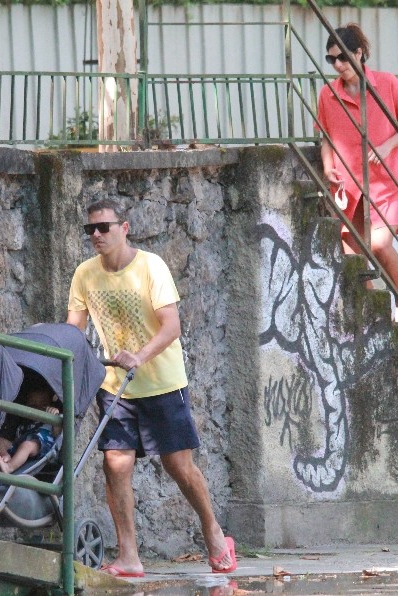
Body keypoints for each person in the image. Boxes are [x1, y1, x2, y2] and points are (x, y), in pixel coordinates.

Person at [66, 198, 237, 578]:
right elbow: (73, 330)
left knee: (178, 465)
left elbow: (171, 326)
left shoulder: (151, 266)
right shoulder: (85, 274)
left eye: (103, 227)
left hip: (161, 381)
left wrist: (141, 356)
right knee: (115, 463)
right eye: (89, 229)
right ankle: (129, 555)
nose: (96, 235)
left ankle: (213, 532)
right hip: (116, 384)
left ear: (124, 228)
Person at [316, 23, 398, 323]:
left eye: (343, 57)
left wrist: (388, 145)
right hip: (350, 186)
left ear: (360, 53)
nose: (337, 65)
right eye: (331, 59)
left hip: (389, 182)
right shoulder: (327, 95)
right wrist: (327, 166)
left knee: (378, 243)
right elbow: (325, 136)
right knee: (351, 250)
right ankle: (378, 305)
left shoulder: (386, 84)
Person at [0, 382, 61, 474]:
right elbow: (16, 440)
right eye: (33, 406)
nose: (37, 410)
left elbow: (57, 435)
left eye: (43, 406)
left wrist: (55, 418)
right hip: (21, 445)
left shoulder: (50, 419)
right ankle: (6, 457)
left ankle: (9, 467)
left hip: (41, 445)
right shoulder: (25, 422)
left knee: (27, 445)